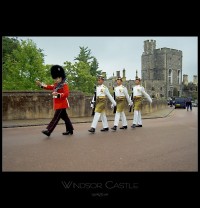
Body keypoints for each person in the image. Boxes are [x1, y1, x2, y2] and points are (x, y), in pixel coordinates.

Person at [36, 65, 74, 137]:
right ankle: (70, 130)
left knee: (55, 118)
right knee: (65, 118)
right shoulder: (56, 85)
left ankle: (49, 131)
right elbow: (49, 86)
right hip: (57, 104)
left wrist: (58, 94)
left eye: (57, 78)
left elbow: (66, 94)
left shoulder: (64, 85)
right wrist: (41, 84)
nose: (55, 80)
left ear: (61, 77)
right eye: (55, 78)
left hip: (62, 104)